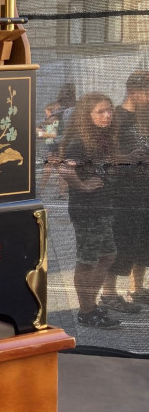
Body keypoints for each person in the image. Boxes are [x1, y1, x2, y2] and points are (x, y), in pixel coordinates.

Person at [58, 93, 121, 329]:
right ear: (87, 115)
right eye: (100, 111)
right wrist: (83, 186)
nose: (107, 115)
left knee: (107, 256)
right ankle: (86, 312)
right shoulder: (79, 142)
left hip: (102, 209)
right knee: (87, 262)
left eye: (109, 110)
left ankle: (90, 305)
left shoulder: (100, 138)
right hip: (87, 211)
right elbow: (65, 169)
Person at [101, 71, 149, 311]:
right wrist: (127, 158)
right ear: (133, 92)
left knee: (143, 241)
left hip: (144, 190)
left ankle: (137, 288)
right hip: (122, 192)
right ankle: (108, 294)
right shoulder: (116, 117)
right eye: (147, 93)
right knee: (120, 241)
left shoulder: (145, 117)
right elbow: (103, 155)